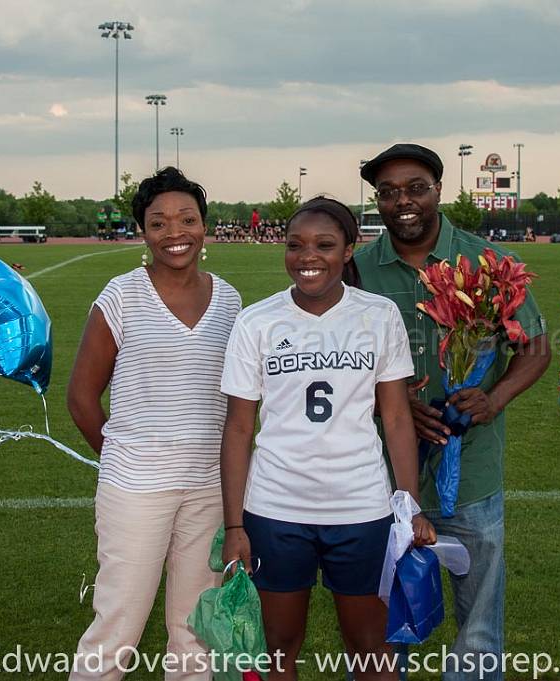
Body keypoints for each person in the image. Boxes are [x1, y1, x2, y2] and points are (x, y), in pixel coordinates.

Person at [354, 144, 551, 680]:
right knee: (381, 627)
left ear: (439, 189)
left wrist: (495, 397)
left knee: (479, 627)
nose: (403, 201)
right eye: (389, 192)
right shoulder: (356, 269)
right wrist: (390, 403)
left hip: (472, 474)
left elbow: (535, 347)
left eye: (416, 187)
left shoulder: (483, 261)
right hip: (383, 479)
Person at [220, 196, 436, 681]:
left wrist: (410, 506)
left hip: (360, 506)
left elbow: (397, 418)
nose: (307, 256)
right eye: (295, 245)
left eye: (324, 244)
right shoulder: (257, 321)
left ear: (347, 250)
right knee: (276, 646)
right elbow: (238, 428)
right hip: (276, 508)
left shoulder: (378, 315)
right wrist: (235, 526)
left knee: (370, 647)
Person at [67, 167, 242, 681]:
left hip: (209, 487)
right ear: (142, 231)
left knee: (195, 634)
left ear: (205, 227)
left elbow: (239, 400)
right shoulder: (121, 296)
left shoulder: (229, 299)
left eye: (187, 219)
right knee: (118, 623)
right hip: (136, 488)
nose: (175, 233)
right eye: (159, 222)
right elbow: (81, 396)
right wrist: (127, 456)